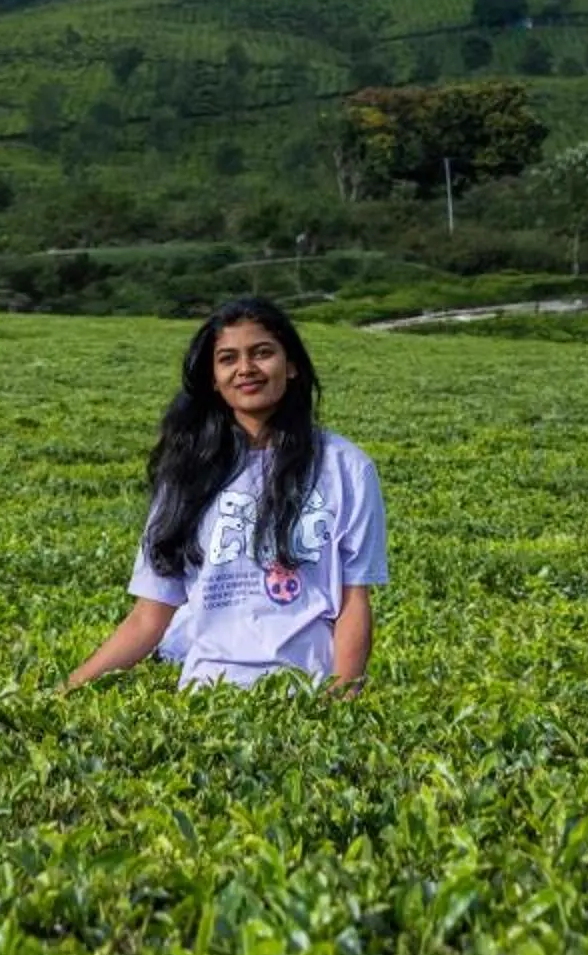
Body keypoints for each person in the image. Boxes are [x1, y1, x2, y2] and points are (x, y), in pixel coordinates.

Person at [64, 295, 388, 692]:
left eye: (262, 353)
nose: (246, 369)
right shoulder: (186, 474)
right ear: (214, 381)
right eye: (228, 359)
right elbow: (149, 617)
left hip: (305, 691)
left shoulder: (346, 467)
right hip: (207, 694)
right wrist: (67, 690)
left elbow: (354, 602)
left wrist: (343, 695)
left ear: (292, 367)